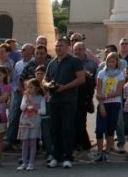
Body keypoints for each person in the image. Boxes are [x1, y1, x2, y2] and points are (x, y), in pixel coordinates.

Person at [43, 37, 85, 168]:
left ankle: (68, 157)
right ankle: (56, 157)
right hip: (54, 100)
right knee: (55, 129)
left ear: (68, 47)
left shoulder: (75, 61)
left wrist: (64, 87)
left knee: (67, 129)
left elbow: (81, 79)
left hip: (69, 100)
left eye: (61, 46)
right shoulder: (52, 62)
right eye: (56, 46)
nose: (58, 48)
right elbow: (44, 80)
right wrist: (49, 84)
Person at [94, 53, 124, 163]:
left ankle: (107, 152)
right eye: (109, 61)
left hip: (115, 104)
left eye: (113, 61)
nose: (110, 63)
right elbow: (98, 92)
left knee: (111, 129)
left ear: (117, 62)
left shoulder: (120, 74)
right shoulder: (101, 73)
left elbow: (118, 92)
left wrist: (105, 96)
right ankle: (99, 152)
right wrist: (101, 105)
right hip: (103, 104)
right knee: (99, 130)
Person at [17, 78, 46, 170]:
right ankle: (24, 163)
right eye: (28, 87)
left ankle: (31, 163)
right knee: (25, 143)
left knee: (33, 143)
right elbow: (22, 108)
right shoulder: (25, 97)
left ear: (37, 88)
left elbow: (43, 111)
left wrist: (34, 108)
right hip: (25, 122)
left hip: (35, 122)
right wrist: (27, 101)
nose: (29, 89)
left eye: (31, 87)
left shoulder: (41, 98)